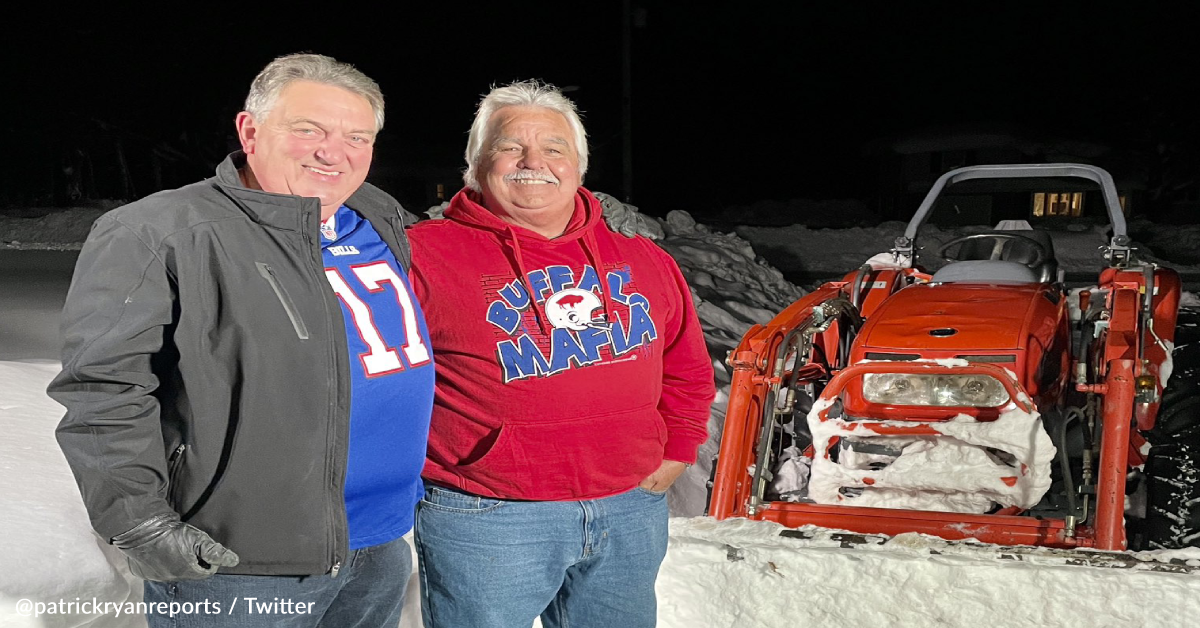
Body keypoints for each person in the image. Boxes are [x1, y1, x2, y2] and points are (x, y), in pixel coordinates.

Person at [48, 53, 433, 627]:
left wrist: (591, 212)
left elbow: (480, 234)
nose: (335, 151)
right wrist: (138, 521)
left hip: (378, 545)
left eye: (358, 136)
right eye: (310, 130)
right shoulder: (160, 231)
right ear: (250, 131)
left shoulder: (377, 214)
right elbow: (102, 390)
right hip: (239, 561)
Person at [407, 80, 716, 628]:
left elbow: (686, 365)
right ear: (476, 164)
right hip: (489, 514)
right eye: (510, 147)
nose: (533, 162)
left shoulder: (642, 259)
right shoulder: (422, 256)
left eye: (554, 148)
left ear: (578, 165)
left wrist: (680, 447)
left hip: (629, 507)